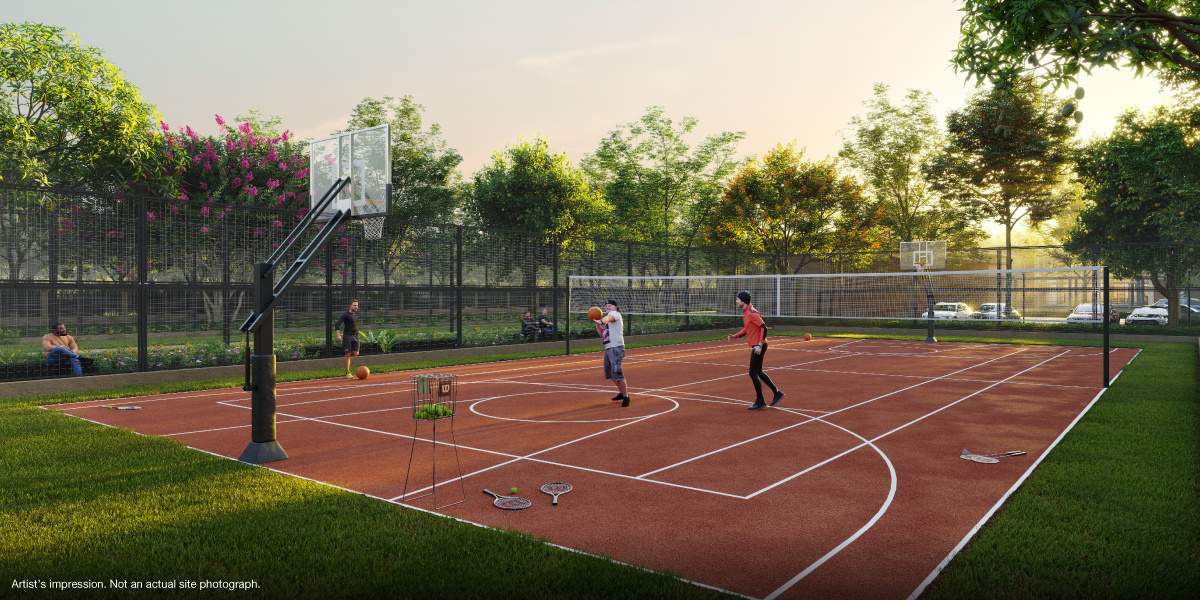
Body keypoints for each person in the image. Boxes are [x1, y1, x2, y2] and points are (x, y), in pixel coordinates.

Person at [727, 290, 783, 410]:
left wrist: (759, 344)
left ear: (743, 301)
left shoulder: (752, 313)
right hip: (757, 346)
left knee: (753, 373)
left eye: (737, 299)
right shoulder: (746, 312)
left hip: (759, 346)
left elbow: (764, 328)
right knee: (759, 372)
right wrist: (735, 336)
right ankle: (777, 393)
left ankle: (760, 400)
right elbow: (747, 329)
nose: (736, 301)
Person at [594, 300, 629, 407]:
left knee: (617, 373)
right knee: (610, 373)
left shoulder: (615, 314)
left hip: (616, 348)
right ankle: (621, 392)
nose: (607, 307)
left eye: (610, 305)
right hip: (609, 348)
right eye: (606, 306)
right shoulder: (608, 322)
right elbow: (602, 334)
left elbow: (608, 318)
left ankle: (626, 397)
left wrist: (602, 321)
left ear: (616, 307)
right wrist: (597, 324)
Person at [335, 299, 361, 379]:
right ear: (350, 306)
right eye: (354, 305)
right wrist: (338, 335)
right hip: (347, 336)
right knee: (348, 355)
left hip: (355, 336)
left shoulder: (356, 314)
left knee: (356, 353)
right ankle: (348, 372)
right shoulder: (345, 314)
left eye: (357, 305)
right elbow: (337, 324)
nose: (356, 307)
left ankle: (348, 354)